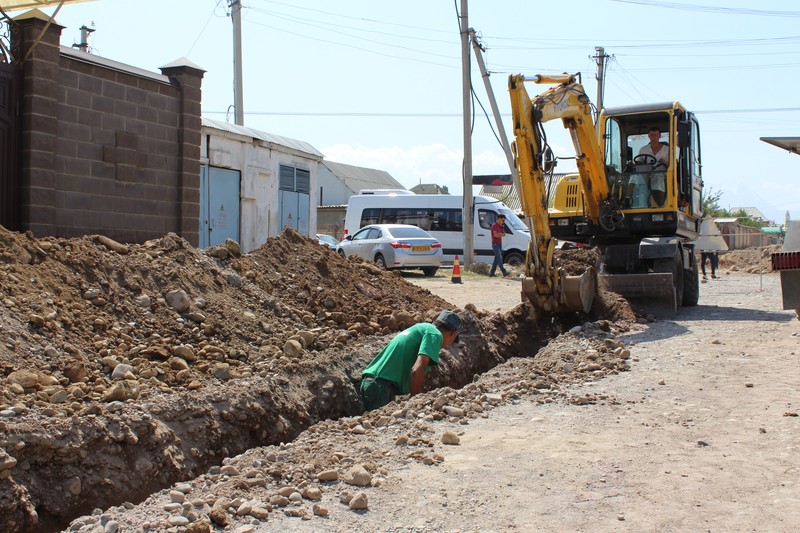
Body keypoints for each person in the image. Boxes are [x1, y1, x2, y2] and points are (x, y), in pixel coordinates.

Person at [359, 310, 462, 411]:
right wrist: (415, 402)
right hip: (381, 387)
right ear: (452, 334)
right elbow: (417, 370)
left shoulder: (420, 328)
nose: (448, 345)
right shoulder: (435, 334)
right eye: (453, 340)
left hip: (373, 383)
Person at [638, 127, 669, 206]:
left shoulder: (667, 150)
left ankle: (660, 203)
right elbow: (638, 162)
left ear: (659, 136)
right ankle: (629, 201)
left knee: (658, 178)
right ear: (648, 136)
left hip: (663, 176)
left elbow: (673, 165)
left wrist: (665, 163)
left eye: (656, 135)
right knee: (635, 178)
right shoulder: (643, 150)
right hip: (647, 175)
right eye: (652, 135)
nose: (654, 137)